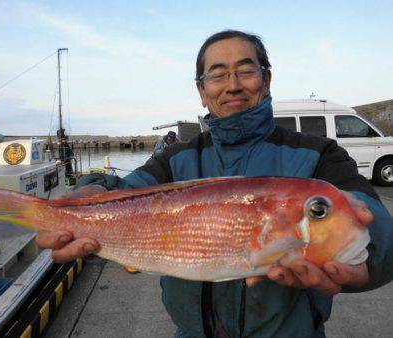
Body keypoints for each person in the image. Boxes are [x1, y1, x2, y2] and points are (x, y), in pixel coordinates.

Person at [36, 30, 393, 337]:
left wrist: (369, 244)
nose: (233, 84)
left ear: (266, 80)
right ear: (202, 90)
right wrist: (93, 188)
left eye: (246, 70)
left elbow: (374, 221)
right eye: (218, 75)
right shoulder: (175, 160)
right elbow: (125, 191)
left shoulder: (319, 155)